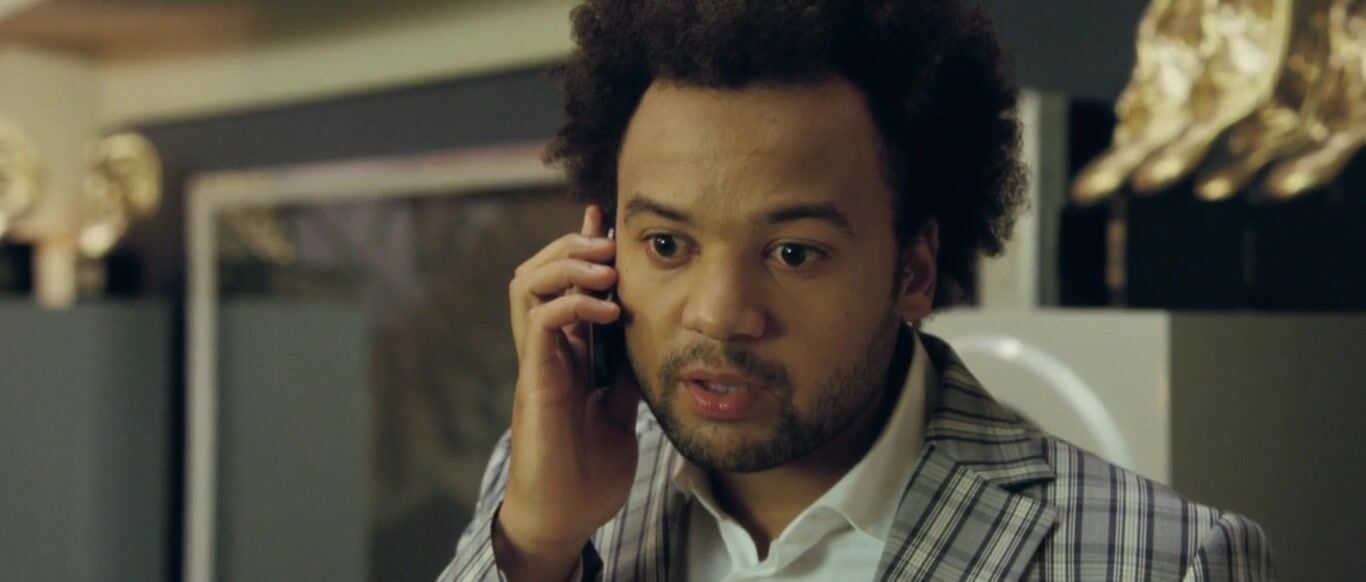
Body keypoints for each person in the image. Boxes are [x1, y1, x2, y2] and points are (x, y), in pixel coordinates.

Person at [438, 1, 1274, 580]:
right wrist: (535, 548)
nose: (719, 313)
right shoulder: (549, 487)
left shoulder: (1166, 561)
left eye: (793, 253)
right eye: (666, 245)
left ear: (913, 272)